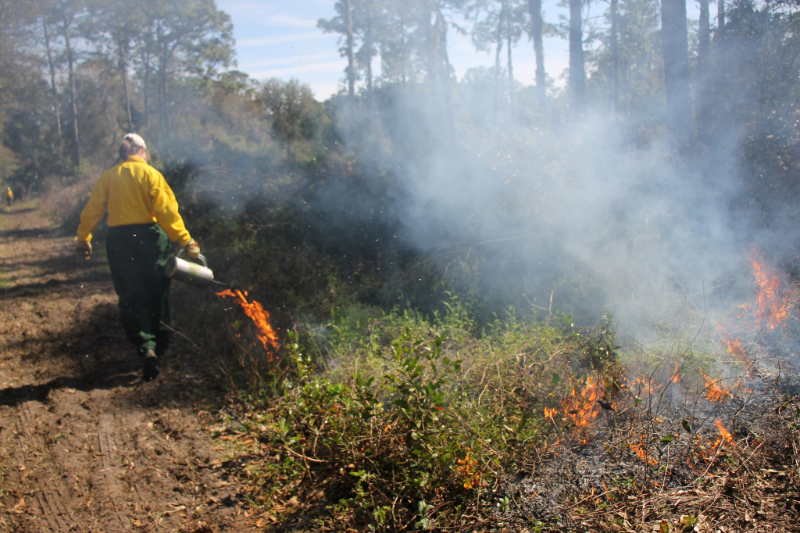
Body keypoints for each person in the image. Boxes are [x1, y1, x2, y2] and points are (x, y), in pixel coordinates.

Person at [75, 133, 200, 381]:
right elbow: (167, 213)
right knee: (157, 292)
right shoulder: (151, 175)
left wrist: (83, 238)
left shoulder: (109, 177)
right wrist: (187, 241)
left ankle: (146, 348)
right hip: (151, 240)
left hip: (120, 242)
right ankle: (160, 345)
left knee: (131, 294)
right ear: (142, 150)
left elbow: (92, 211)